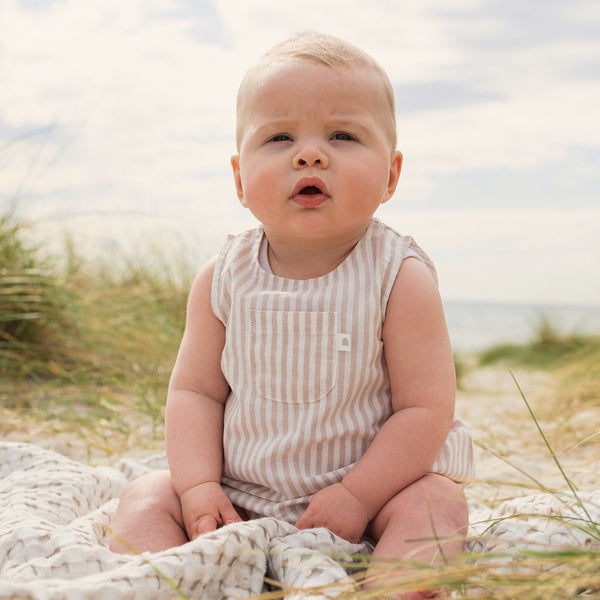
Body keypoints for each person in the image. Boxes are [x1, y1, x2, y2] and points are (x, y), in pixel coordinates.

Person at [110, 32, 475, 598]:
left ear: (390, 176)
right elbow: (196, 394)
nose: (310, 153)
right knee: (144, 496)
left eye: (343, 135)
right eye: (279, 136)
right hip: (239, 495)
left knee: (437, 504)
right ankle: (165, 583)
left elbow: (425, 409)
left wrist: (359, 496)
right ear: (238, 178)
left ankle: (397, 586)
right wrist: (198, 486)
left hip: (375, 496)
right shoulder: (223, 275)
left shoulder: (398, 276)